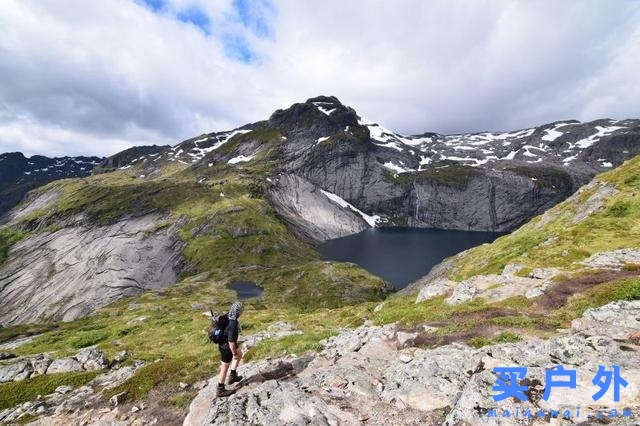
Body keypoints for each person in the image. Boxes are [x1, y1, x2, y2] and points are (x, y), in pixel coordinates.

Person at [216, 301, 244, 397]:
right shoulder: (233, 322)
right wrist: (234, 352)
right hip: (226, 347)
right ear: (238, 311)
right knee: (224, 367)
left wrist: (236, 353)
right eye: (241, 310)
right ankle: (220, 389)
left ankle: (233, 375)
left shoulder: (228, 315)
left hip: (224, 343)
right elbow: (231, 341)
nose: (242, 312)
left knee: (240, 354)